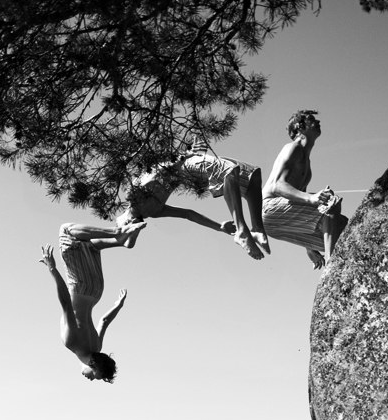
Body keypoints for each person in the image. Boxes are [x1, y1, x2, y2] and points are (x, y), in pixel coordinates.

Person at [115, 142, 271, 260]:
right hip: (188, 172)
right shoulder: (153, 211)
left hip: (183, 165)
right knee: (229, 171)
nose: (137, 226)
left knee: (251, 175)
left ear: (126, 221)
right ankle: (242, 231)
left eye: (131, 226)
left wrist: (186, 155)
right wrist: (219, 227)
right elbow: (188, 214)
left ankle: (257, 229)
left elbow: (159, 170)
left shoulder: (133, 196)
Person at [39, 219, 144, 382]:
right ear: (94, 365)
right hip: (80, 287)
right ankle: (119, 232)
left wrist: (119, 305)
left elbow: (105, 321)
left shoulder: (97, 347)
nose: (92, 379)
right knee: (67, 232)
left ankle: (122, 241)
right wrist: (52, 268)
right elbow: (66, 303)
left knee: (90, 246)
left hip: (96, 291)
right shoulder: (72, 343)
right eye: (96, 376)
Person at [261, 109, 348, 269]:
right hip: (269, 208)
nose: (318, 122)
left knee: (343, 227)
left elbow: (299, 201)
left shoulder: (306, 161)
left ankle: (338, 268)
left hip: (275, 222)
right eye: (311, 119)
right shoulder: (293, 148)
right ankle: (332, 270)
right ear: (299, 127)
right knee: (330, 203)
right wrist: (312, 198)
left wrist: (309, 247)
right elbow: (277, 185)